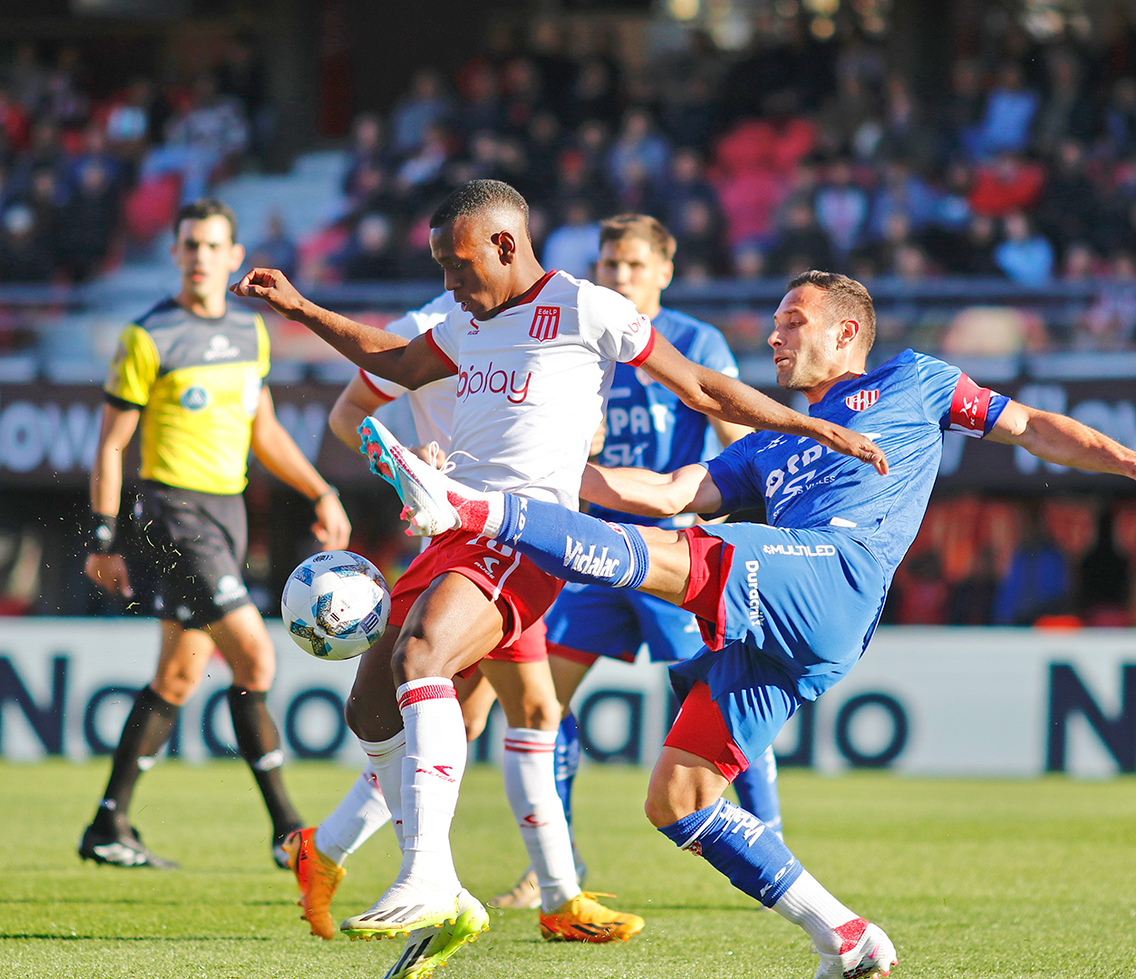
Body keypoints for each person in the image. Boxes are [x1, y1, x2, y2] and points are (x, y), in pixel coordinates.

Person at [369, 269, 1136, 979]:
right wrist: (514, 466)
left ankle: (474, 514)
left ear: (846, 333)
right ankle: (843, 932)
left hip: (835, 572)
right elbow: (665, 489)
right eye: (772, 321)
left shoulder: (915, 379)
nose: (773, 335)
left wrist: (1131, 465)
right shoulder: (773, 441)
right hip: (791, 622)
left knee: (685, 556)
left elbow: (1033, 427)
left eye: (792, 321)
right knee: (678, 798)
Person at [232, 180, 883, 974]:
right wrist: (300, 307)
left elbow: (703, 386)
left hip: (526, 535)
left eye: (457, 263)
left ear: (506, 245)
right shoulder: (464, 324)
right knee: (370, 710)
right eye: (438, 266)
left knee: (425, 659)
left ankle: (435, 876)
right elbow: (394, 362)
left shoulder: (586, 308)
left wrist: (808, 420)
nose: (448, 283)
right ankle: (443, 887)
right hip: (450, 528)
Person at [285, 290, 629, 960]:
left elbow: (585, 431)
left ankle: (556, 897)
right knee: (418, 706)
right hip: (460, 542)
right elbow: (348, 412)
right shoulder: (427, 329)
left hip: (522, 534)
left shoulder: (547, 325)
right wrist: (412, 458)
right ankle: (371, 861)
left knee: (527, 707)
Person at [495, 214, 783, 911]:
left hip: (669, 557)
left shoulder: (692, 342)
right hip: (593, 550)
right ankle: (555, 860)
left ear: (664, 269)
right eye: (608, 265)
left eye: (630, 265)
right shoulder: (585, 343)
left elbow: (732, 433)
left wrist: (741, 495)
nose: (617, 277)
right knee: (541, 704)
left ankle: (769, 835)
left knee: (714, 698)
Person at [79, 198, 350, 870]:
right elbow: (112, 446)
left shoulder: (250, 333)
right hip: (173, 514)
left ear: (234, 257)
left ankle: (108, 824)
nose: (200, 256)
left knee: (176, 675)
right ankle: (288, 831)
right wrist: (103, 537)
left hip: (228, 512)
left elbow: (266, 433)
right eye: (189, 244)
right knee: (255, 657)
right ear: (175, 254)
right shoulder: (147, 337)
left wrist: (320, 488)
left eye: (212, 246)